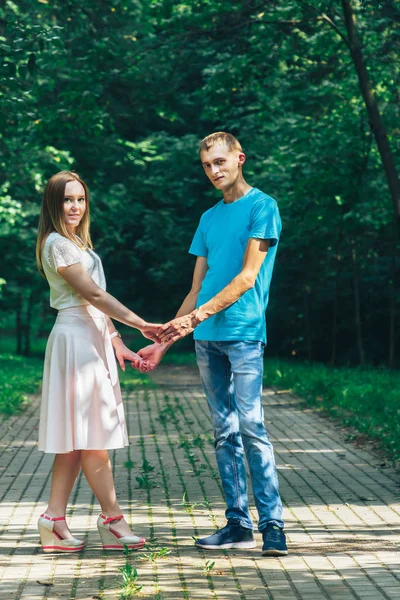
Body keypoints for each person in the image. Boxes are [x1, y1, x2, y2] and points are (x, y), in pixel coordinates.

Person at [138, 132, 288, 556]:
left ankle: (272, 523)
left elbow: (246, 277)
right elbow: (196, 289)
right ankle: (237, 524)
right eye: (207, 165)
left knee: (252, 426)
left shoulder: (263, 207)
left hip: (243, 335)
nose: (214, 171)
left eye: (220, 161)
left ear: (240, 158)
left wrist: (197, 315)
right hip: (206, 340)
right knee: (224, 432)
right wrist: (164, 342)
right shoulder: (207, 219)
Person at [36, 170, 160, 553]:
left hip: (92, 338)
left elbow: (96, 303)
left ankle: (53, 520)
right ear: (54, 205)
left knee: (77, 440)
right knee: (93, 437)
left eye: (80, 199)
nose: (75, 207)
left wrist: (118, 342)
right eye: (67, 200)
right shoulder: (58, 244)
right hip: (75, 341)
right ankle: (112, 518)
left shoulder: (77, 243)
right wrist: (142, 324)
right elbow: (93, 294)